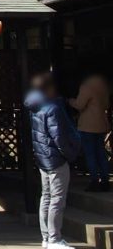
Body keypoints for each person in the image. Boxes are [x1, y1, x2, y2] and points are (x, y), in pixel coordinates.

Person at [25, 72, 81, 249]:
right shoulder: (52, 108)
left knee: (46, 197)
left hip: (43, 158)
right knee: (57, 199)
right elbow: (60, 138)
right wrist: (70, 154)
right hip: (56, 159)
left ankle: (46, 237)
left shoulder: (34, 107)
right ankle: (55, 238)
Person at [69, 72, 111, 192]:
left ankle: (94, 181)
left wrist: (70, 101)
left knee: (90, 154)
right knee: (101, 153)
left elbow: (79, 105)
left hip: (88, 125)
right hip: (101, 123)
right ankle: (105, 180)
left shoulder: (86, 86)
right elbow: (107, 104)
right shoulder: (103, 85)